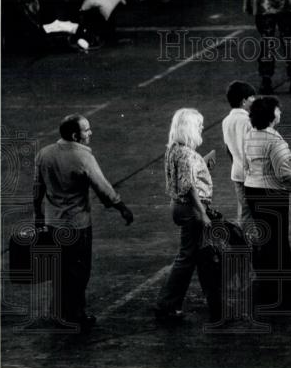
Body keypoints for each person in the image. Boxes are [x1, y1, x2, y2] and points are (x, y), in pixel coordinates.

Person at [33, 114, 134, 331]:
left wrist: (37, 216)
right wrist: (121, 207)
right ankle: (76, 313)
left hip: (53, 223)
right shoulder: (83, 157)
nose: (90, 133)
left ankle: (59, 310)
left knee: (60, 269)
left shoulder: (44, 154)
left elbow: (37, 188)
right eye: (86, 130)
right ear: (74, 135)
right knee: (79, 271)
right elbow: (103, 187)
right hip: (77, 225)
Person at [154, 108, 222, 324]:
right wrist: (203, 214)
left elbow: (184, 175)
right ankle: (168, 303)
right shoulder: (186, 154)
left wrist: (202, 164)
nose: (202, 128)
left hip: (179, 207)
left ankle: (173, 303)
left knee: (190, 255)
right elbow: (188, 186)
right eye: (199, 125)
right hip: (192, 209)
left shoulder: (174, 149)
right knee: (190, 257)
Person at [243, 97, 291, 307]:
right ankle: (281, 287)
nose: (280, 112)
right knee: (278, 239)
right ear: (272, 115)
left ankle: (267, 282)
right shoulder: (275, 141)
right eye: (278, 110)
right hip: (271, 193)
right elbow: (285, 175)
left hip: (252, 189)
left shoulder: (250, 134)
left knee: (266, 236)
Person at [222, 80, 255, 230]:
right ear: (244, 101)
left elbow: (228, 148)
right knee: (257, 214)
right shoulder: (249, 121)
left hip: (237, 173)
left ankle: (243, 246)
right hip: (253, 175)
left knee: (244, 212)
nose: (254, 100)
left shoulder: (226, 121)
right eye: (251, 97)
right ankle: (254, 249)